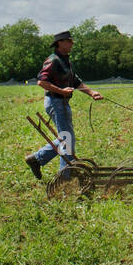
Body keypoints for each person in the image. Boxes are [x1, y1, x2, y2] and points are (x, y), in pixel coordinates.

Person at [24, 30, 102, 181]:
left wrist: (92, 92)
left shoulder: (66, 61)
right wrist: (61, 91)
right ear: (60, 43)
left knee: (66, 138)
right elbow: (42, 82)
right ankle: (63, 175)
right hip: (56, 101)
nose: (72, 44)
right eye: (69, 41)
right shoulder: (53, 60)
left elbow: (75, 82)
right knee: (67, 138)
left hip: (62, 102)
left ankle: (40, 160)